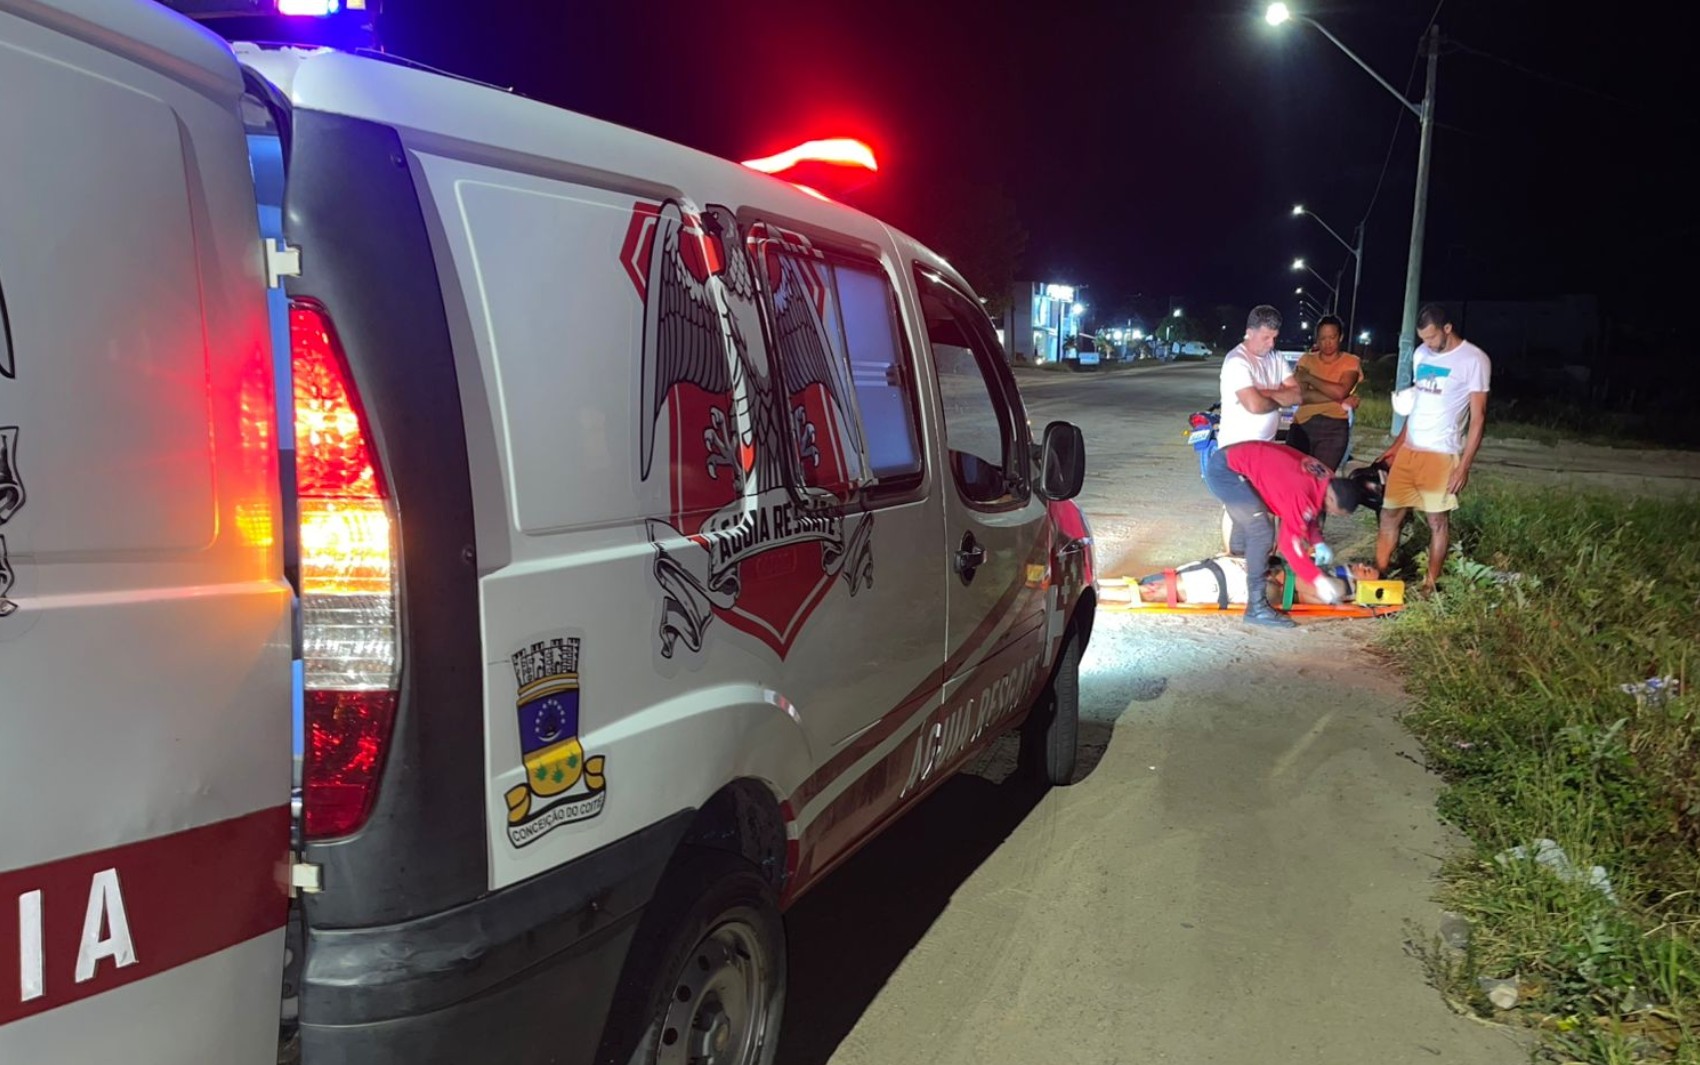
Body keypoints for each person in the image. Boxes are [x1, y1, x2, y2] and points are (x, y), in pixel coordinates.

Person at [1374, 302, 1491, 594]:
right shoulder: (1420, 353)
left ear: (1447, 328)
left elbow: (1478, 419)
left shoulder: (1474, 360)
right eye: (1422, 338)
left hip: (1441, 455)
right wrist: (1396, 446)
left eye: (1431, 337)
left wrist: (1463, 466)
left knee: (1436, 520)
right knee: (1389, 514)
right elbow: (1416, 405)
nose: (1426, 344)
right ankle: (1377, 576)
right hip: (1410, 451)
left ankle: (1429, 584)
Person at [1203, 439, 1367, 627]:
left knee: (1255, 519)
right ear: (1330, 497)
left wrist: (1317, 541)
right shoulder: (1301, 492)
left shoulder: (1326, 478)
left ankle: (1238, 562)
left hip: (1243, 462)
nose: (1328, 513)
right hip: (1227, 471)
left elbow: (1310, 511)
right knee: (1262, 532)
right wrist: (1317, 580)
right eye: (1331, 511)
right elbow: (1289, 546)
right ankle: (1256, 607)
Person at [1216, 305, 1301, 553]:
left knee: (1264, 505)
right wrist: (1278, 395)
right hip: (1237, 449)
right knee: (1238, 509)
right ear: (1249, 333)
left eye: (1274, 337)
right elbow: (1253, 405)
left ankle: (1259, 558)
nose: (1271, 343)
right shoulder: (1236, 361)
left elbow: (1296, 394)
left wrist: (1266, 393)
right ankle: (1233, 559)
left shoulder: (1276, 358)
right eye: (1265, 337)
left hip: (1266, 449)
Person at [1134, 554, 1379, 607]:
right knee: (1158, 583)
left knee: (1156, 586)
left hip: (1260, 582)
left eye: (1367, 570)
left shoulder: (1334, 586)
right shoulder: (1329, 581)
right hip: (1260, 581)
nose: (1364, 566)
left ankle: (1107, 594)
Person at [1288, 315, 1362, 473]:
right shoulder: (1306, 360)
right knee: (1295, 476)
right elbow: (1300, 396)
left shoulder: (1351, 361)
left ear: (1340, 337)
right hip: (1302, 425)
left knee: (1321, 479)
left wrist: (1309, 378)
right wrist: (1338, 397)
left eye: (1332, 337)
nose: (1327, 343)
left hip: (1333, 429)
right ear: (1316, 339)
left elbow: (1341, 391)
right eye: (1322, 338)